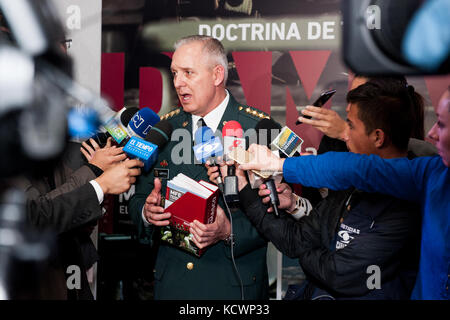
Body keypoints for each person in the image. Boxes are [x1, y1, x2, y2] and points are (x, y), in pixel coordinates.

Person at [210, 81, 423, 299]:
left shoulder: (405, 205)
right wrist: (244, 187)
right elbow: (293, 240)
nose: (344, 133)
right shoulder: (350, 186)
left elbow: (337, 274)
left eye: (350, 125)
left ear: (378, 137)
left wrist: (306, 250)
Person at [128, 35, 273, 299]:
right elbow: (138, 198)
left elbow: (278, 216)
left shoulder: (257, 129)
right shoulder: (164, 130)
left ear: (217, 74)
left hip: (233, 287)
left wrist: (228, 230)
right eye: (174, 73)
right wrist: (147, 214)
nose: (178, 83)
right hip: (173, 285)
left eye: (188, 73)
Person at [6, 137, 143, 299]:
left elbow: (66, 206)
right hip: (35, 279)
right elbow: (37, 215)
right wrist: (97, 177)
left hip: (70, 268)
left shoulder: (56, 152)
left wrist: (97, 171)